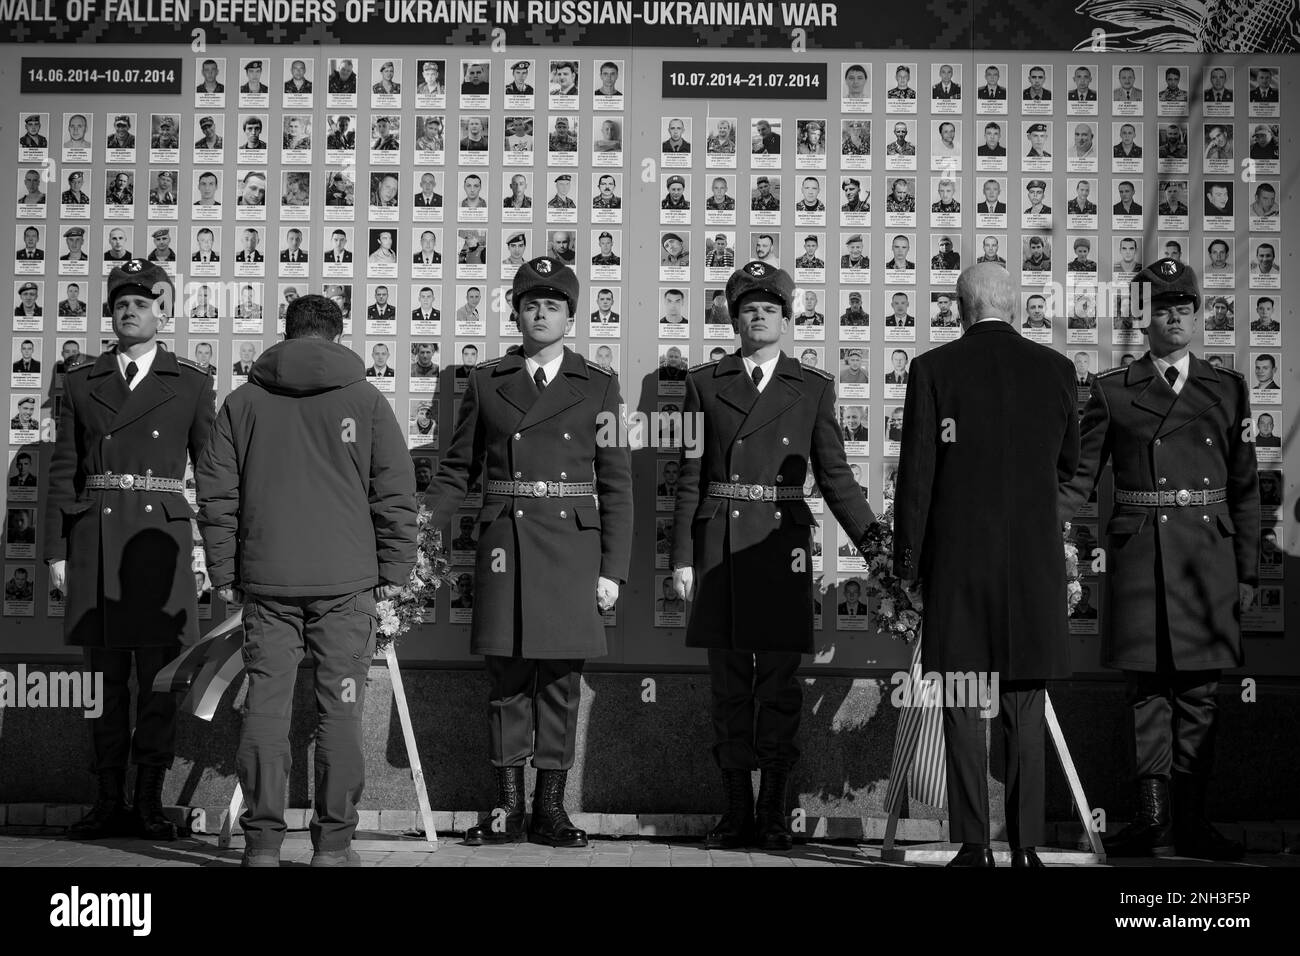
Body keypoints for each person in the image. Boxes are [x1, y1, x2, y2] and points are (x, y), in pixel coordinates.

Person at [197, 293, 415, 868]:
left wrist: (225, 572)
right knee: (339, 712)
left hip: (267, 585)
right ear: (339, 337)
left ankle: (262, 848)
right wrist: (394, 569)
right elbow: (394, 492)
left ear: (286, 334)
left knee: (266, 711)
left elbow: (217, 496)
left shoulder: (242, 402)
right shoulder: (367, 401)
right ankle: (334, 848)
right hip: (345, 587)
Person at [671, 260, 881, 851]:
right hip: (721, 544)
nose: (758, 316)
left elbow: (835, 476)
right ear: (734, 318)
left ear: (787, 320)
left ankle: (772, 810)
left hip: (782, 544)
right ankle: (735, 811)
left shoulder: (811, 386)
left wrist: (878, 548)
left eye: (769, 308)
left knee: (781, 685)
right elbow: (691, 474)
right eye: (748, 308)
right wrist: (683, 557)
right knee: (730, 684)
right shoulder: (703, 383)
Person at [425, 256, 633, 850]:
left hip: (572, 546)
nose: (541, 314)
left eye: (553, 305)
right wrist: (417, 532)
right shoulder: (488, 381)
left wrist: (612, 569)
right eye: (530, 304)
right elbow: (458, 470)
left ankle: (551, 809)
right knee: (507, 680)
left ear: (571, 316)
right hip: (505, 546)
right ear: (515, 311)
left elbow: (616, 481)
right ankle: (507, 808)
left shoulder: (598, 384)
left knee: (561, 683)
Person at [1062, 258, 1259, 861]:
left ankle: (1193, 824)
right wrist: (1026, 522)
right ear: (1142, 319)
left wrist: (1248, 571)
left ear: (1200, 315)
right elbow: (1078, 481)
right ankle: (1152, 825)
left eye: (1186, 307)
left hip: (1207, 561)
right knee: (1147, 694)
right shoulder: (1112, 390)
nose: (1176, 318)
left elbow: (1245, 487)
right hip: (1141, 558)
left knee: (1200, 694)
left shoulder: (1227, 388)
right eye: (1164, 308)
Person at [894, 262, 1078, 868]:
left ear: (960, 306)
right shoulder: (1057, 370)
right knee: (1025, 702)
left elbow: (917, 481)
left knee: (964, 704)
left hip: (959, 565)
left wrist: (908, 570)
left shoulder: (933, 369)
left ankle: (974, 844)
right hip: (1033, 566)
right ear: (1017, 305)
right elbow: (1066, 466)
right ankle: (1027, 847)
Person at [45, 258, 215, 841]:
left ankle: (148, 799)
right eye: (121, 301)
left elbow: (212, 472)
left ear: (163, 311)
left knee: (162, 680)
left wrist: (213, 549)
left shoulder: (191, 381)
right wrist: (56, 553)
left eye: (142, 302)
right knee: (103, 684)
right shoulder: (80, 381)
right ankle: (106, 798)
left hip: (161, 543)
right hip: (96, 540)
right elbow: (63, 469)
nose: (129, 310)